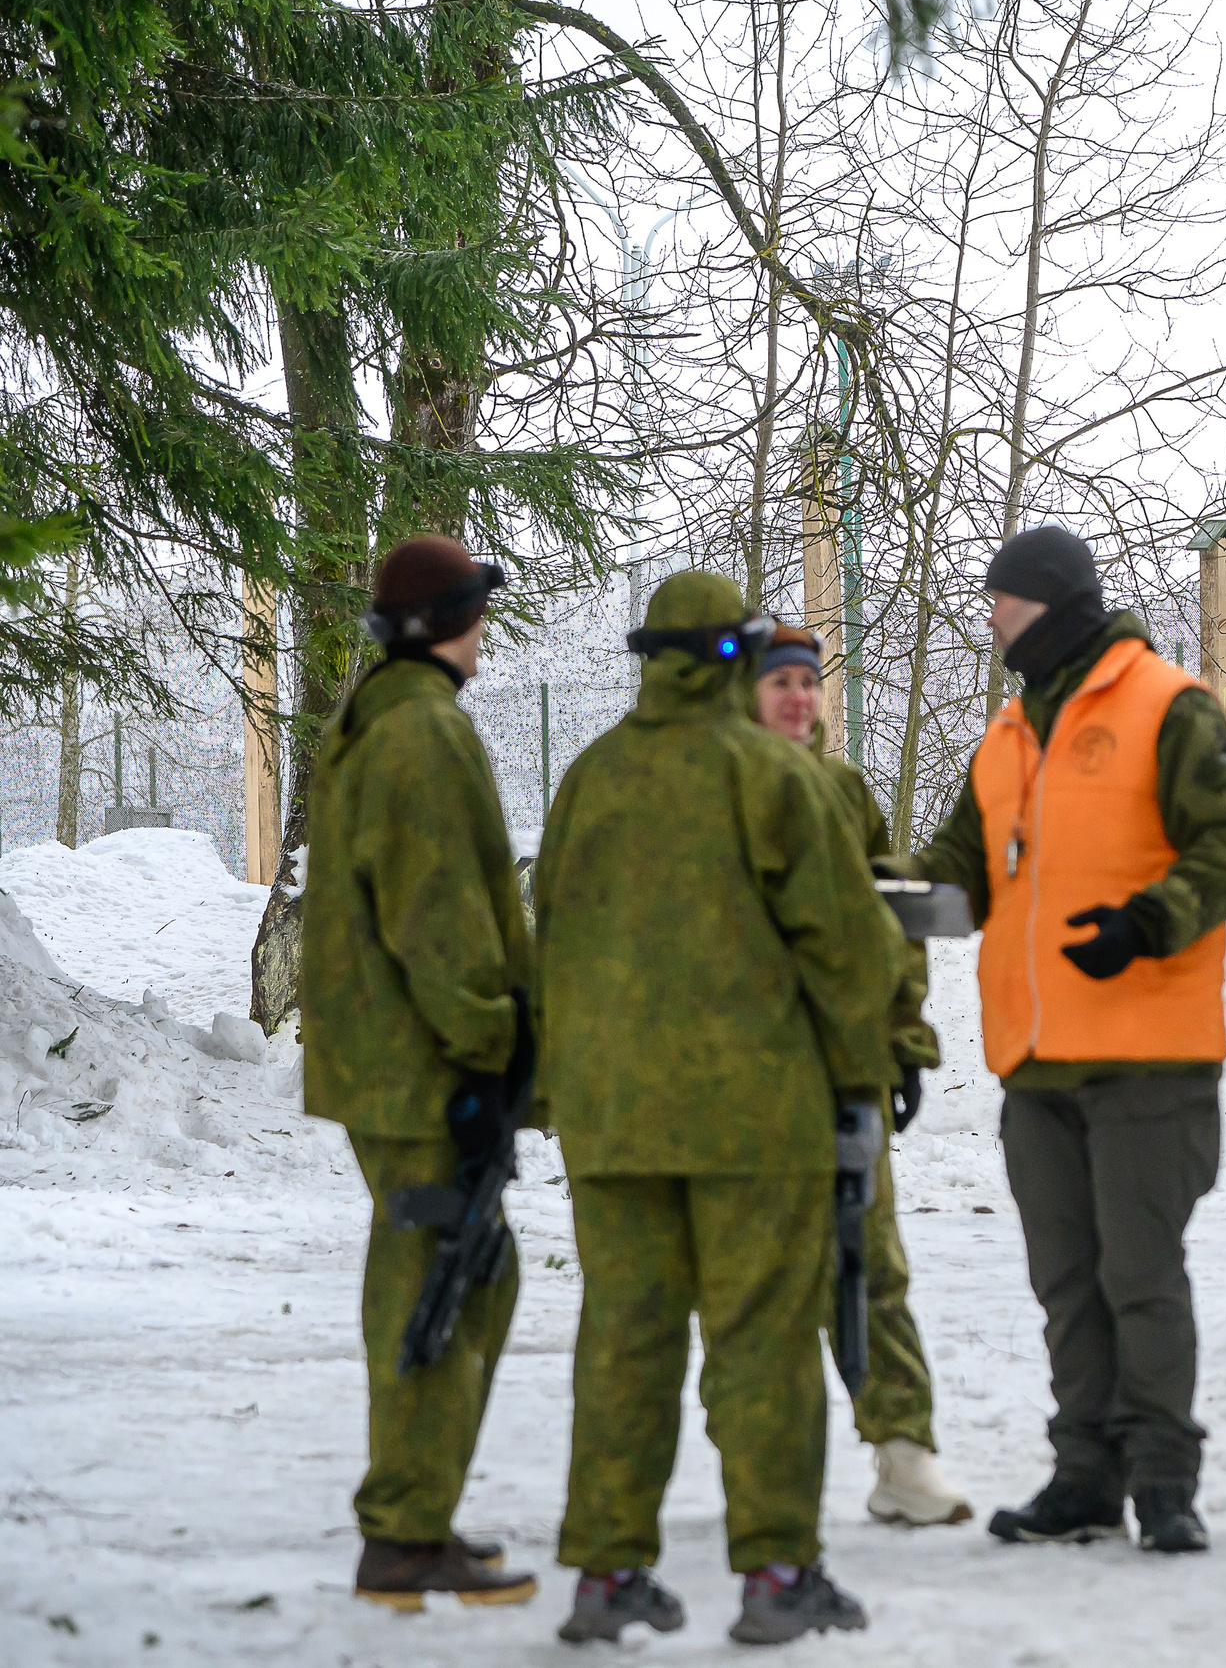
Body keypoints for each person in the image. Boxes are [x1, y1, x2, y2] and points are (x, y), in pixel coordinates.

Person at [539, 572, 907, 1645]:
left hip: (613, 1127)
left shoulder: (590, 778)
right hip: (755, 1122)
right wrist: (858, 1082)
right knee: (763, 1343)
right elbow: (847, 953)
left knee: (623, 1342)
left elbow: (547, 941)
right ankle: (777, 1570)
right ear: (737, 658)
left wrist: (561, 1093)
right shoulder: (768, 774)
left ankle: (606, 1575)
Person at [907, 523, 1226, 1557]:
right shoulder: (1008, 736)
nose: (988, 617)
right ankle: (1085, 1476)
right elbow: (955, 881)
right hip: (1037, 1060)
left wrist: (1147, 923)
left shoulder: (1167, 705)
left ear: (1051, 602)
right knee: (1066, 1281)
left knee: (1139, 1275)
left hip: (1149, 1054)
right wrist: (861, 891)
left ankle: (1163, 1482)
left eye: (1001, 600)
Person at [302, 535, 539, 1611]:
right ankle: (402, 1532)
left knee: (456, 1272)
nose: (485, 630)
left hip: (398, 1061)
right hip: (427, 1068)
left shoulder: (378, 720)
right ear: (449, 621)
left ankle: (415, 1521)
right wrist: (487, 1056)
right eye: (476, 611)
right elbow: (437, 918)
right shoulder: (422, 734)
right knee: (445, 1279)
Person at [749, 623, 972, 1528]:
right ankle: (764, 1473)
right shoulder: (718, 790)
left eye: (810, 682)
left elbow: (892, 921)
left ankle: (904, 1455)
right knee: (756, 1279)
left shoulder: (843, 790)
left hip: (843, 1074)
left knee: (870, 1260)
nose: (799, 698)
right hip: (745, 1080)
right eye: (781, 684)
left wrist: (903, 1040)